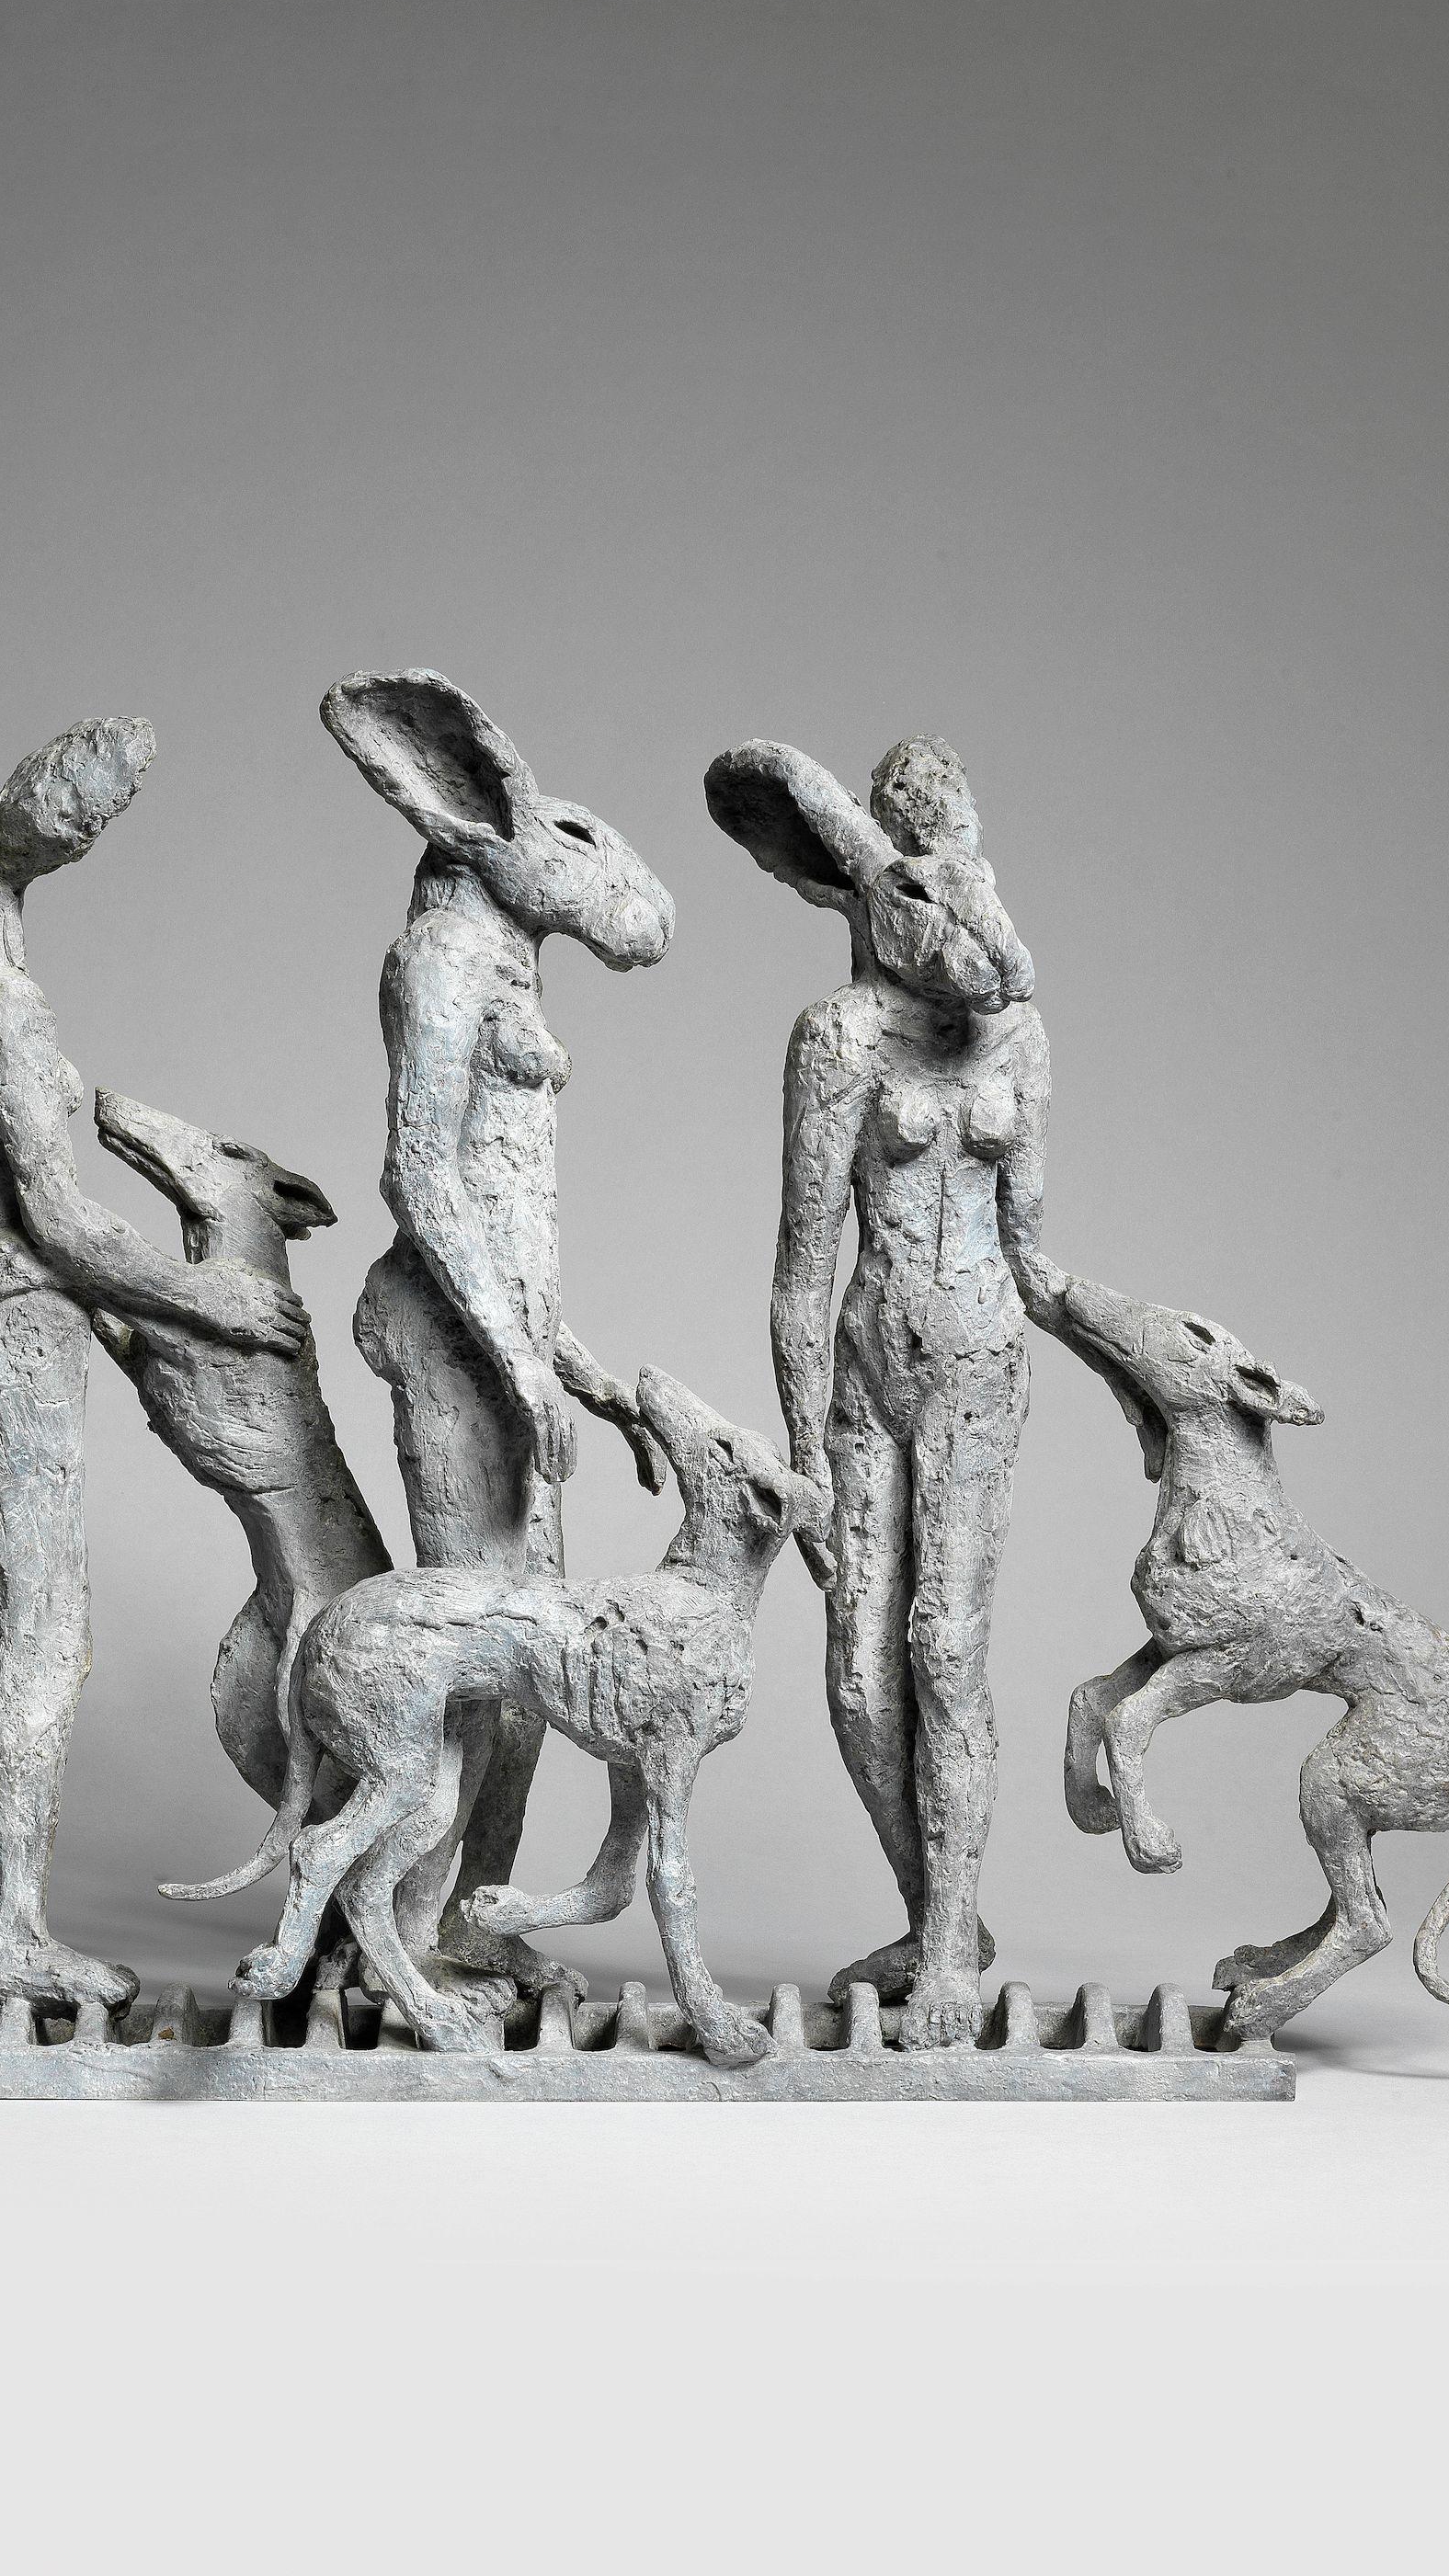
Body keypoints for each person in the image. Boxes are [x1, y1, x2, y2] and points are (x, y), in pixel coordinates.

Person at [0, 716, 305, 2015]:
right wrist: (214, 1298)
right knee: (46, 1647)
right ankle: (7, 1933)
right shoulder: (1, 1008)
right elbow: (56, 1224)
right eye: (85, 804)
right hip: (9, 1334)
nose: (82, 819)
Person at [707, 733, 1063, 2047]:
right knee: (859, 1674)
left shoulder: (1019, 1039)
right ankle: (937, 1914)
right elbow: (803, 1264)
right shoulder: (839, 1038)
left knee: (944, 1648)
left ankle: (954, 1947)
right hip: (868, 1369)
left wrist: (1164, 1382)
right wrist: (802, 1449)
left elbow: (1034, 1254)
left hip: (979, 1366)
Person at [321, 670, 673, 1986]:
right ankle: (398, 1939)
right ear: (479, 825)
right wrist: (523, 1369)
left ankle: (473, 1914)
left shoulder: (511, 963)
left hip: (511, 1342)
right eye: (572, 843)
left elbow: (512, 1214)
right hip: (454, 1343)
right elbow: (420, 1174)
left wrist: (579, 1370)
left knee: (536, 1651)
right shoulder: (441, 961)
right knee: (472, 1647)